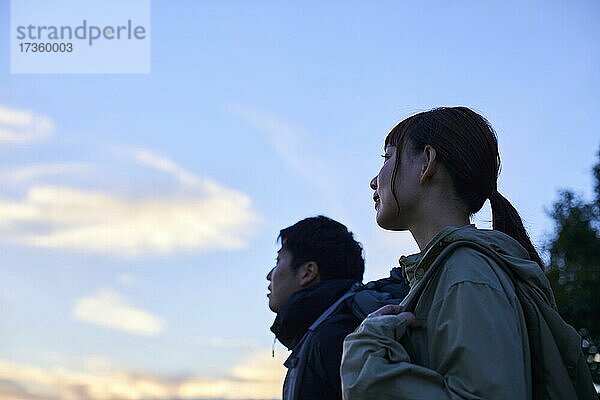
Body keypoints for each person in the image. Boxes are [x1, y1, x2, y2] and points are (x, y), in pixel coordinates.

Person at [340, 107, 597, 399]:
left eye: (387, 158)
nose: (375, 181)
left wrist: (363, 357)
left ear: (427, 162)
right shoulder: (454, 272)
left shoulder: (466, 272)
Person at [267, 216, 365, 400]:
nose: (269, 275)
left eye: (278, 260)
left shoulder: (333, 339)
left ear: (308, 272)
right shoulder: (328, 332)